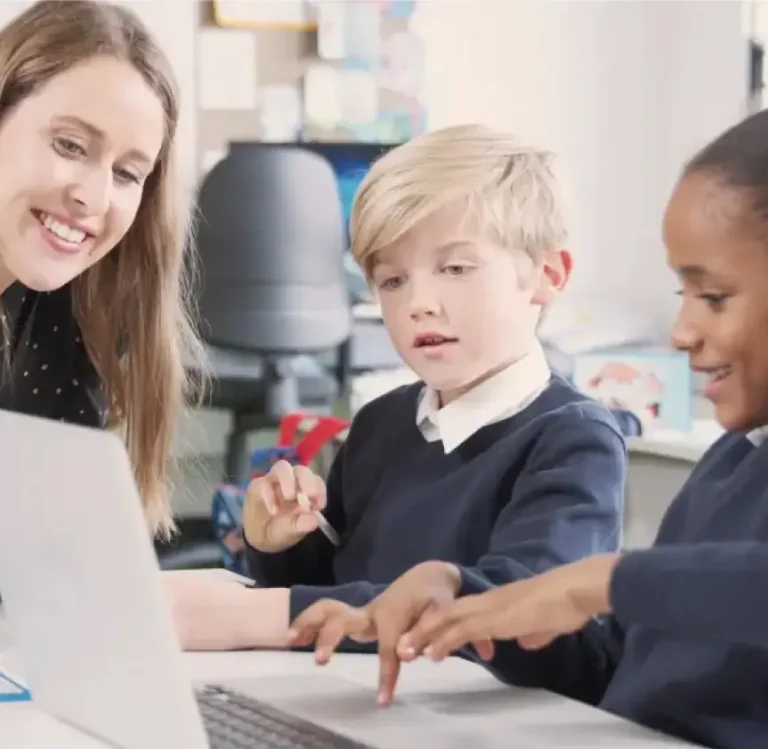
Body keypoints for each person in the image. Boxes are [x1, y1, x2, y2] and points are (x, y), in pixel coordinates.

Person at [290, 109, 768, 749]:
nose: (680, 333)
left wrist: (598, 581)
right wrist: (475, 606)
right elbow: (609, 662)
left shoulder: (572, 436)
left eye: (713, 298)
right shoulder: (735, 460)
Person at [165, 124, 626, 652]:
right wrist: (283, 546)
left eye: (455, 268)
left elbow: (515, 614)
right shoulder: (382, 423)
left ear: (548, 274)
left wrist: (260, 616)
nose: (418, 303)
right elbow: (340, 590)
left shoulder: (574, 441)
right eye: (391, 280)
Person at [0, 0, 205, 537]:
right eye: (69, 145)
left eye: (127, 173)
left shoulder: (67, 310)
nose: (93, 197)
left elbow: (56, 550)